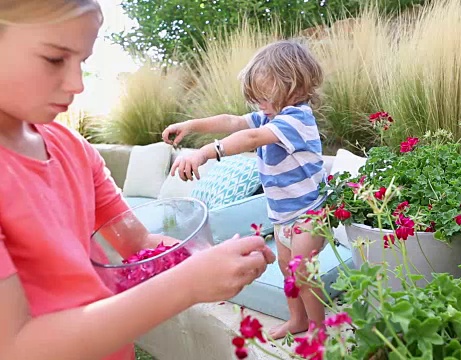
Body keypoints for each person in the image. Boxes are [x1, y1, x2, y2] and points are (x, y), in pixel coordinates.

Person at [0, 2, 275, 360]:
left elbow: (138, 241)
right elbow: (14, 346)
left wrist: (212, 259)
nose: (77, 84)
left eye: (82, 61)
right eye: (55, 58)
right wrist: (188, 284)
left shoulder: (72, 148)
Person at [162, 40, 328, 339]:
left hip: (309, 212)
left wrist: (204, 153)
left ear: (292, 85)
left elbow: (250, 137)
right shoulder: (270, 115)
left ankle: (318, 328)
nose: (259, 105)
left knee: (302, 271)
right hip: (283, 214)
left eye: (264, 96)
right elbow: (233, 121)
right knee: (287, 268)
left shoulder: (296, 119)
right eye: (256, 98)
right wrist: (193, 125)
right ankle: (298, 320)